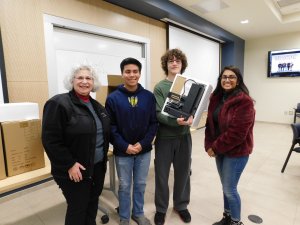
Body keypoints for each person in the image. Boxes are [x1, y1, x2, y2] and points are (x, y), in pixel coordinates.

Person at [42, 65, 110, 225]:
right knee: (78, 208)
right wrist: (69, 164)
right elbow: (50, 140)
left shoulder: (97, 106)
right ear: (72, 81)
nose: (84, 81)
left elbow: (104, 133)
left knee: (92, 204)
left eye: (89, 78)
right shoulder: (58, 103)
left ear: (93, 83)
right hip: (74, 170)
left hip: (97, 168)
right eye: (80, 78)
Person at [105, 57, 158, 225]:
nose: (131, 75)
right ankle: (124, 217)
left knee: (141, 184)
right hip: (123, 152)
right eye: (128, 71)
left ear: (140, 74)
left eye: (135, 71)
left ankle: (138, 213)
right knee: (125, 186)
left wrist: (143, 143)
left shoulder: (148, 97)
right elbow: (111, 127)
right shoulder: (113, 98)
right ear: (122, 74)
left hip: (144, 151)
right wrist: (124, 146)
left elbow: (153, 123)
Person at [204, 66, 255, 225]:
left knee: (230, 190)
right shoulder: (216, 97)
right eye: (224, 77)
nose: (227, 80)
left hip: (237, 152)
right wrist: (208, 145)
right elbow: (210, 124)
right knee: (225, 187)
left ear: (238, 80)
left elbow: (237, 133)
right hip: (220, 150)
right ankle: (227, 217)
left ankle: (236, 221)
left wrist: (215, 147)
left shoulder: (244, 101)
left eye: (231, 77)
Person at [153, 48, 193, 225]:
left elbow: (194, 108)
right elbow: (159, 113)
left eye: (178, 60)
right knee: (161, 175)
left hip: (184, 137)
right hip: (165, 138)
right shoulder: (160, 87)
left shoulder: (188, 84)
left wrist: (193, 116)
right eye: (171, 61)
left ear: (182, 64)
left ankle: (181, 205)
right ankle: (161, 209)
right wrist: (175, 121)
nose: (174, 63)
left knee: (183, 173)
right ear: (166, 64)